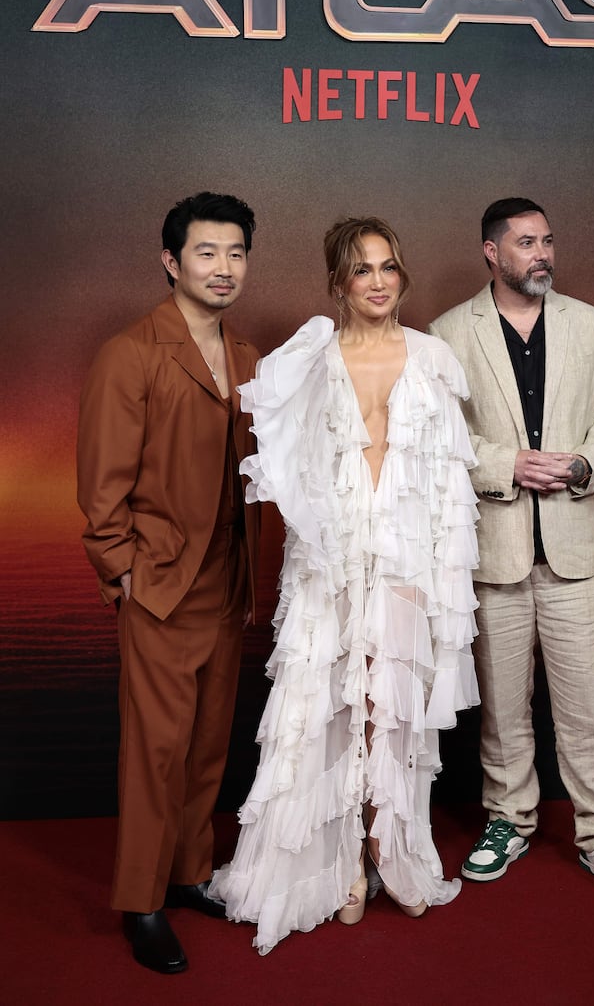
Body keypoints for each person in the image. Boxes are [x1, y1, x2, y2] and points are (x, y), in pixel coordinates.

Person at [210, 217, 480, 954]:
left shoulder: (432, 357)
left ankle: (391, 851)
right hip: (330, 559)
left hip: (405, 560)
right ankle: (341, 868)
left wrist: (441, 582)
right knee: (328, 701)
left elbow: (451, 484)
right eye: (363, 269)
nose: (379, 281)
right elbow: (285, 471)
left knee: (390, 709)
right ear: (338, 281)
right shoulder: (309, 359)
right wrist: (317, 543)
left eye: (390, 266)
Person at [428, 197, 594, 902]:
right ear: (491, 252)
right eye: (526, 242)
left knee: (587, 705)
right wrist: (506, 467)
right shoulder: (446, 334)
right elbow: (441, 442)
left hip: (576, 550)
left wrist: (583, 463)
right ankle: (509, 818)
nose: (543, 253)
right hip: (493, 551)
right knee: (502, 705)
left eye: (548, 240)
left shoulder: (591, 324)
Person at [77, 191, 261, 974]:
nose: (224, 268)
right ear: (171, 260)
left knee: (207, 746)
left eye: (237, 253)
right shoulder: (133, 351)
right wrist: (122, 573)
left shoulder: (249, 356)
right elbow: (101, 488)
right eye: (207, 253)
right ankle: (143, 900)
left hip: (228, 582)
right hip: (156, 585)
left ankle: (189, 873)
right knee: (154, 752)